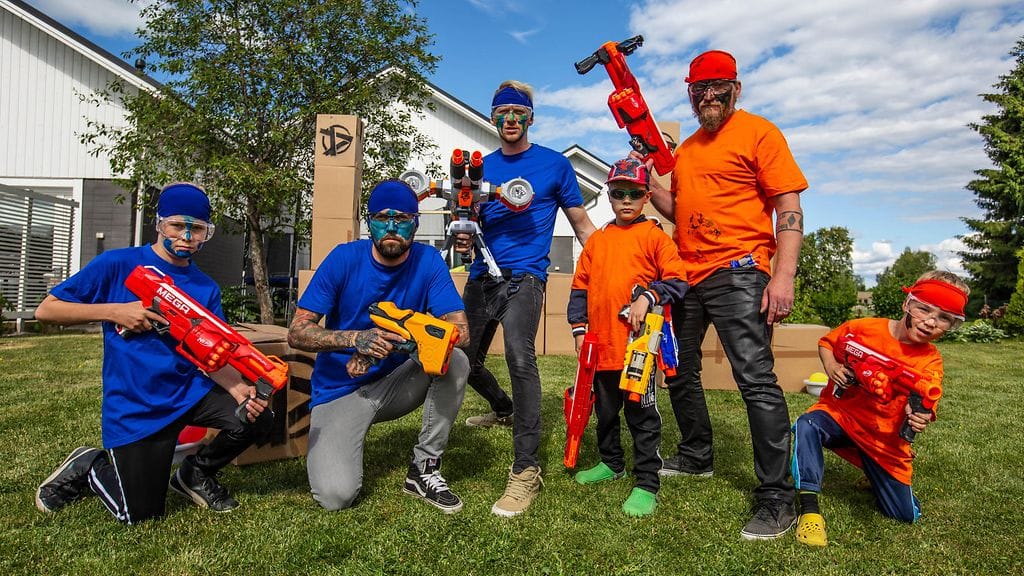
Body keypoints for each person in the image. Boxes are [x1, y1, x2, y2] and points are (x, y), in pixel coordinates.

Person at [33, 182, 273, 524]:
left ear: (207, 233)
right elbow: (47, 310)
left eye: (198, 228)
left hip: (189, 395)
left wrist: (238, 390)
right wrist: (114, 311)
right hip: (136, 408)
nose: (187, 235)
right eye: (178, 225)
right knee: (140, 516)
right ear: (159, 224)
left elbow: (211, 353)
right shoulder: (117, 264)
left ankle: (195, 474)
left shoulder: (205, 287)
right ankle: (90, 465)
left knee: (257, 415)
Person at [645, 50, 809, 540]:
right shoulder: (689, 149)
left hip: (739, 270)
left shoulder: (760, 132)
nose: (709, 96)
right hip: (687, 274)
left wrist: (783, 275)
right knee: (680, 370)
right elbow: (683, 209)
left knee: (754, 379)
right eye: (700, 89)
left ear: (736, 88)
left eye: (719, 87)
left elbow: (788, 206)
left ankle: (777, 498)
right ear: (689, 92)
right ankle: (697, 457)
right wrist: (649, 183)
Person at [456, 80, 596, 517]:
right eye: (503, 113)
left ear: (531, 118)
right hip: (481, 276)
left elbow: (582, 225)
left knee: (520, 358)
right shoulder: (479, 169)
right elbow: (466, 222)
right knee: (462, 359)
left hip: (526, 279)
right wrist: (462, 242)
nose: (511, 120)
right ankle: (502, 408)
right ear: (492, 117)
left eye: (520, 113)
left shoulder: (554, 165)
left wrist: (612, 263)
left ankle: (526, 470)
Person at [287, 179, 471, 514]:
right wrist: (356, 339)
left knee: (454, 359)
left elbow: (460, 330)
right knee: (336, 496)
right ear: (368, 222)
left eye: (401, 219)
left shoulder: (428, 261)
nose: (391, 227)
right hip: (341, 390)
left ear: (415, 224)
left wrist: (400, 340)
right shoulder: (344, 259)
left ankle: (424, 469)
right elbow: (297, 332)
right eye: (382, 218)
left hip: (397, 380)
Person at [791, 272, 969, 547]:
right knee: (807, 424)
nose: (931, 322)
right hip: (840, 417)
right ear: (907, 304)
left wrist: (919, 416)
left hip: (882, 441)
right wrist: (833, 367)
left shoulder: (930, 362)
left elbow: (925, 404)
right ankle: (809, 510)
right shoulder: (862, 329)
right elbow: (827, 343)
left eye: (944, 318)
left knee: (906, 516)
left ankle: (873, 473)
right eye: (924, 308)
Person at [566, 158, 688, 517]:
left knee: (641, 415)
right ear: (609, 195)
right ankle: (611, 462)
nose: (626, 200)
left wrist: (648, 296)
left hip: (638, 350)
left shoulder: (654, 236)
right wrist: (578, 329)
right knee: (605, 413)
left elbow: (677, 281)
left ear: (646, 196)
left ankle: (647, 482)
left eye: (634, 193)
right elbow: (579, 288)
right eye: (619, 193)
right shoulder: (598, 241)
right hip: (601, 347)